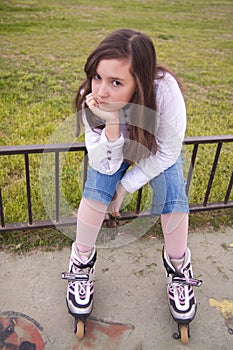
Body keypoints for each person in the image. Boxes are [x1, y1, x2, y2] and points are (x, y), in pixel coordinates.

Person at [65, 28, 202, 336]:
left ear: (139, 80)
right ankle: (81, 262)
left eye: (116, 82)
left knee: (174, 193)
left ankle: (179, 267)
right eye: (97, 77)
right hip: (113, 148)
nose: (101, 90)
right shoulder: (93, 100)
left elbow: (168, 153)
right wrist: (111, 123)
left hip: (154, 149)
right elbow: (102, 162)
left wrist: (126, 186)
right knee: (97, 190)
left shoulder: (165, 93)